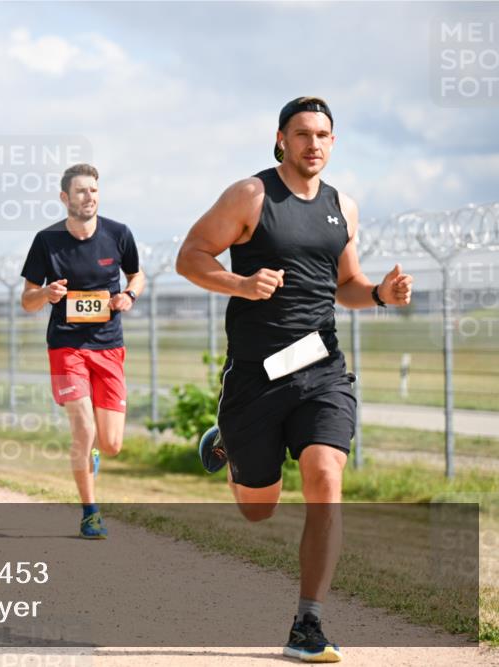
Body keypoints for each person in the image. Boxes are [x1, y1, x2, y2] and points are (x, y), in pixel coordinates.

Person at [176, 96, 413, 663]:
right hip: (256, 376)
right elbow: (191, 257)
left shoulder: (343, 208)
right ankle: (228, 441)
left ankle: (308, 622)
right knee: (258, 509)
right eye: (303, 133)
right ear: (281, 139)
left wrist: (379, 294)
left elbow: (347, 284)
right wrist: (240, 284)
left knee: (326, 474)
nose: (313, 144)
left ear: (333, 143)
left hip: (322, 369)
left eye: (324, 135)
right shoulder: (251, 196)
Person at [20, 163, 144, 540]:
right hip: (66, 345)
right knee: (83, 427)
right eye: (80, 191)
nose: (88, 197)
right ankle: (90, 512)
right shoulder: (47, 241)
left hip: (109, 346)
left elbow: (136, 275)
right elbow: (27, 300)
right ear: (65, 198)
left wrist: (129, 295)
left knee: (111, 444)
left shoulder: (119, 234)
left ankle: (91, 453)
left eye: (93, 190)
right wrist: (46, 294)